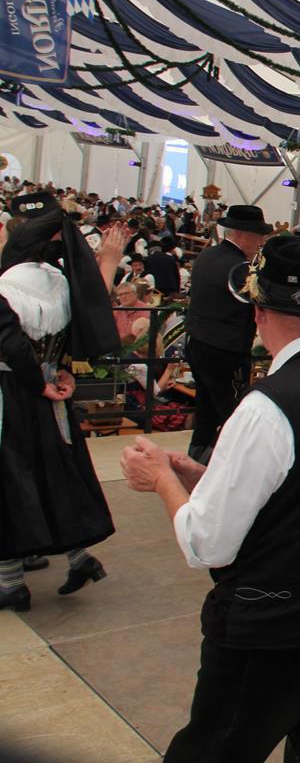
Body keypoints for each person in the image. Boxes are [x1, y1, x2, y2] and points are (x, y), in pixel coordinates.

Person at [119, 235, 300, 762]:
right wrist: (206, 477)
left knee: (213, 749)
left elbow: (206, 544)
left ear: (259, 313)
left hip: (277, 629)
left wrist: (161, 479)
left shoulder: (268, 405)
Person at [0, 192, 121, 612]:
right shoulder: (59, 281)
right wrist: (61, 370)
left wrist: (38, 382)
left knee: (13, 479)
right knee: (54, 471)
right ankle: (78, 557)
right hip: (54, 390)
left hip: (13, 393)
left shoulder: (6, 286)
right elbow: (76, 329)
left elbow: (12, 347)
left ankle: (10, 584)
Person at [185, 204, 272, 462]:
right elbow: (256, 303)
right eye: (258, 236)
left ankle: (196, 458)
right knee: (234, 413)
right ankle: (232, 467)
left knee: (206, 409)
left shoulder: (207, 256)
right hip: (226, 351)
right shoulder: (239, 268)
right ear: (242, 234)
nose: (260, 242)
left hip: (197, 343)